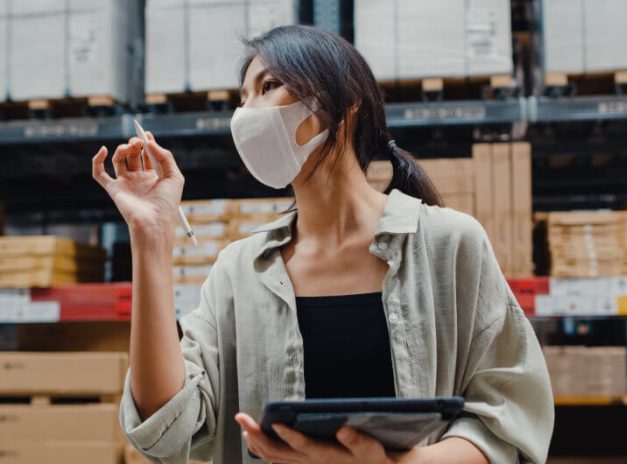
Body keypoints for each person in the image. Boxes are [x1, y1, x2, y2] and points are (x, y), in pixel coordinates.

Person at [92, 25, 553, 464]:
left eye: (268, 85)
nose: (248, 112)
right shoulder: (239, 271)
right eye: (243, 98)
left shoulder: (449, 245)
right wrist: (151, 240)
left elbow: (506, 422)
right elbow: (168, 429)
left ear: (344, 103)